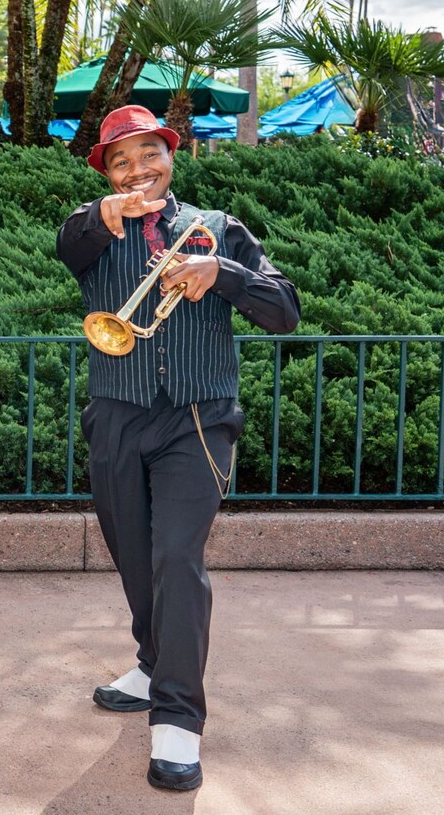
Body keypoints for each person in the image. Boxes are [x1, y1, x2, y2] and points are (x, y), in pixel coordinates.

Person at [57, 104, 300, 791]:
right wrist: (102, 215)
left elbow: (284, 310)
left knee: (176, 558)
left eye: (149, 155)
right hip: (117, 413)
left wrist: (219, 273)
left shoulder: (219, 230)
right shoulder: (91, 230)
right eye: (121, 161)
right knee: (135, 556)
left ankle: (178, 720)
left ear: (173, 153)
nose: (139, 170)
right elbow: (68, 243)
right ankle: (150, 659)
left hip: (199, 418)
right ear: (107, 172)